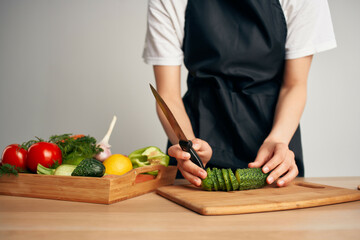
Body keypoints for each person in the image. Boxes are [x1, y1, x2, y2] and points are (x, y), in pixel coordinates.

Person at [142, 0, 336, 187]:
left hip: (275, 140)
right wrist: (189, 148)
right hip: (199, 132)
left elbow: (294, 85)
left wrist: (278, 139)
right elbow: (168, 94)